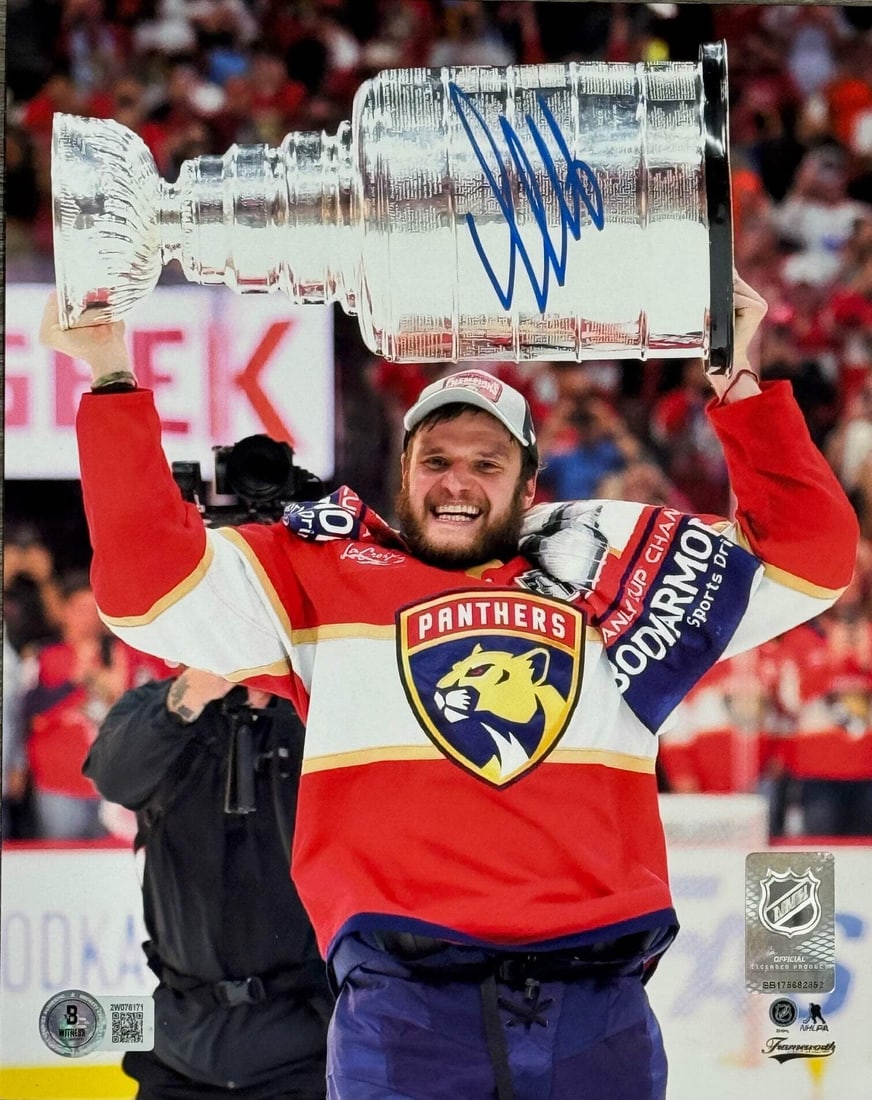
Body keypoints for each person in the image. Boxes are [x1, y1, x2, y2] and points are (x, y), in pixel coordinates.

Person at [42, 274, 858, 1100]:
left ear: (529, 484)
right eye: (434, 461)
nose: (456, 481)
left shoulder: (610, 578)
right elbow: (146, 585)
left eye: (485, 462)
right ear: (402, 471)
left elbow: (811, 559)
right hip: (404, 1017)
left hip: (593, 1015)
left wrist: (737, 378)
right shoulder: (322, 577)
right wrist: (110, 373)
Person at [83, 667, 331, 1100]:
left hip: (301, 1050)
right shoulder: (161, 707)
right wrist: (191, 695)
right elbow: (111, 776)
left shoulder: (318, 716)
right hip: (180, 1048)